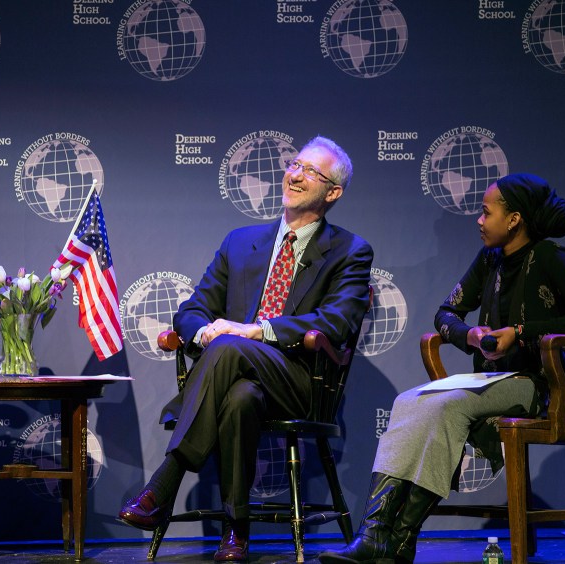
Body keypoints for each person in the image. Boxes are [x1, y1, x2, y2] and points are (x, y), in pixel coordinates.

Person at [319, 173, 565, 564]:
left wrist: (520, 333)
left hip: (542, 385)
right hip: (491, 379)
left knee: (446, 405)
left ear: (514, 220)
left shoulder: (551, 258)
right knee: (408, 401)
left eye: (487, 213)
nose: (479, 221)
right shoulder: (490, 259)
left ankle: (400, 538)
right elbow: (445, 313)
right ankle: (375, 534)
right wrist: (469, 335)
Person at [116, 136, 374, 562]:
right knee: (239, 396)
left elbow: (337, 323)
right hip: (233, 376)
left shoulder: (349, 251)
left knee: (235, 345)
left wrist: (257, 331)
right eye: (295, 164)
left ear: (333, 192)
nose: (295, 174)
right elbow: (192, 311)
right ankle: (236, 532)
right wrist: (207, 335)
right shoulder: (240, 242)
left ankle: (165, 480)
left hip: (299, 380)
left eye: (311, 171)